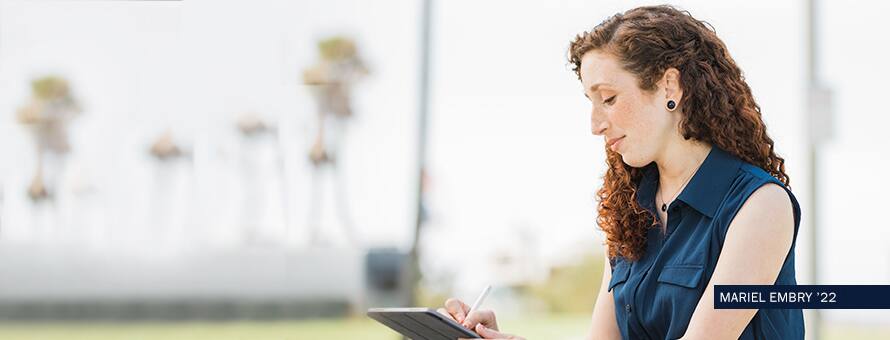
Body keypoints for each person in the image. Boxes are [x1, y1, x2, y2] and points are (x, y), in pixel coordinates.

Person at [439, 5, 804, 340]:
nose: (596, 125)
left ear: (669, 87)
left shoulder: (760, 206)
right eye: (591, 103)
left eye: (609, 99)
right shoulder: (629, 213)